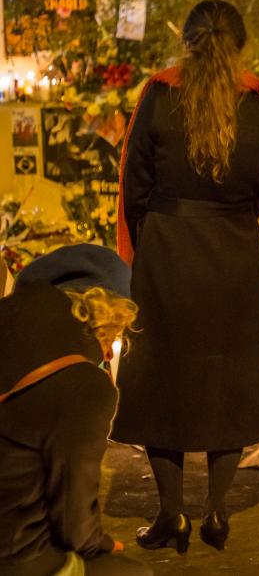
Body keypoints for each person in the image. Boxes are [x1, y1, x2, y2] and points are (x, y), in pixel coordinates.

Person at [112, 0, 259, 553]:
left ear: (185, 41)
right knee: (226, 380)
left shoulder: (159, 99)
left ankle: (171, 514)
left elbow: (133, 185)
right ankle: (215, 510)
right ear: (241, 45)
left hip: (166, 248)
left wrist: (149, 242)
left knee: (165, 381)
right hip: (233, 251)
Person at [1, 244, 151, 576]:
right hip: (14, 554)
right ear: (108, 317)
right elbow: (74, 523)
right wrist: (99, 544)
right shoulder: (84, 385)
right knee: (133, 573)